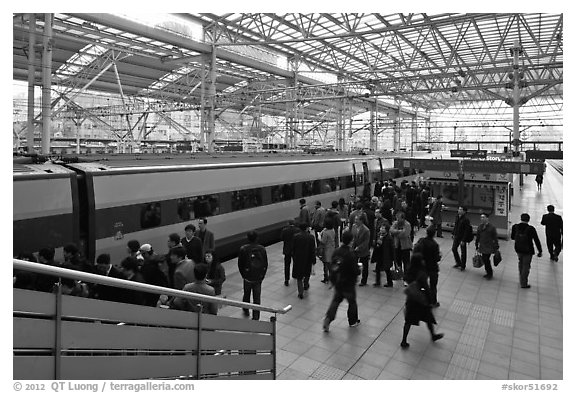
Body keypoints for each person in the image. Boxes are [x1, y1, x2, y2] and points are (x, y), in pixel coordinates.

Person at [400, 253, 444, 349]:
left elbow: (405, 279)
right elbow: (426, 287)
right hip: (421, 300)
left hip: (411, 299)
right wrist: (430, 299)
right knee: (428, 317)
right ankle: (433, 335)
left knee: (408, 320)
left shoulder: (409, 270)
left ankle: (404, 340)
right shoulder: (421, 273)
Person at [322, 231, 361, 332]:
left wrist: (332, 279)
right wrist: (359, 269)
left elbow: (333, 265)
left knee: (336, 301)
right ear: (351, 241)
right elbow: (355, 270)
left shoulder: (336, 251)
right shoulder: (351, 254)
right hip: (349, 283)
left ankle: (328, 318)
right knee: (352, 302)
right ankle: (352, 321)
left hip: (338, 282)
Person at [238, 231, 268, 320]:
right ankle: (256, 317)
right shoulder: (262, 249)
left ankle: (246, 309)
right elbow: (265, 264)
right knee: (257, 298)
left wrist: (244, 275)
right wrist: (262, 276)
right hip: (258, 278)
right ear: (257, 238)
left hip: (247, 278)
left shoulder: (243, 249)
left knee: (246, 294)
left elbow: (240, 264)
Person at [511, 213, 542, 289]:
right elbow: (536, 240)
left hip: (518, 249)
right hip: (528, 250)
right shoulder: (531, 229)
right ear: (528, 220)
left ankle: (521, 279)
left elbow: (512, 237)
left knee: (521, 263)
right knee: (526, 266)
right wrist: (540, 250)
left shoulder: (515, 227)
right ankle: (523, 283)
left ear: (521, 218)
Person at [413, 226, 441, 307]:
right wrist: (439, 256)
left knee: (420, 283)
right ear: (434, 234)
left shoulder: (421, 241)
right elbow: (436, 258)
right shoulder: (435, 245)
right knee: (433, 285)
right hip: (432, 267)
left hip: (422, 266)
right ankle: (433, 302)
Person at [292, 222, 316, 298]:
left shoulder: (296, 237)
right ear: (306, 228)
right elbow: (313, 250)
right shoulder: (311, 237)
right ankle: (306, 284)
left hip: (298, 259)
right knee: (307, 273)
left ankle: (300, 292)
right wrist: (313, 259)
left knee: (299, 277)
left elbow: (293, 249)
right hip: (308, 259)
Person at [390, 211, 413, 286]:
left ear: (403, 218)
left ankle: (406, 279)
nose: (397, 220)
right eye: (396, 218)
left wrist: (396, 233)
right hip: (397, 246)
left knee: (406, 263)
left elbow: (405, 234)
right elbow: (391, 230)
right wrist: (399, 231)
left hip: (405, 247)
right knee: (397, 262)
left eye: (398, 218)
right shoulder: (396, 223)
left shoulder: (407, 224)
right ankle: (399, 275)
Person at [475, 214, 499, 279]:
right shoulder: (480, 226)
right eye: (481, 217)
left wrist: (496, 246)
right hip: (482, 245)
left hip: (489, 246)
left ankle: (489, 272)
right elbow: (478, 236)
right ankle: (488, 271)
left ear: (487, 218)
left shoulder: (492, 227)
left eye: (483, 217)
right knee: (485, 259)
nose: (482, 219)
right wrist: (476, 244)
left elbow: (495, 237)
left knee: (486, 259)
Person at [372, 222, 394, 287]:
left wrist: (392, 258)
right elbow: (376, 245)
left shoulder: (389, 238)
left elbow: (391, 248)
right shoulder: (379, 235)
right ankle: (377, 282)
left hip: (386, 255)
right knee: (377, 268)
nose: (381, 229)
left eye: (383, 228)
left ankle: (390, 282)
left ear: (386, 230)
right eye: (381, 228)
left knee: (387, 269)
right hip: (379, 254)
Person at [352, 214, 371, 287]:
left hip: (363, 251)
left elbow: (366, 242)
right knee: (354, 265)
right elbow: (353, 237)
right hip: (354, 250)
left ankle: (364, 281)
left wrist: (359, 247)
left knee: (365, 267)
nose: (355, 221)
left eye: (357, 219)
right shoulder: (354, 227)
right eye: (355, 219)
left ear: (361, 221)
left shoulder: (366, 230)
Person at [452, 206, 472, 271]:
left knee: (463, 252)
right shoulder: (457, 217)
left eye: (461, 209)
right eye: (459, 209)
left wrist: (463, 240)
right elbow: (456, 226)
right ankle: (458, 262)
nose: (459, 210)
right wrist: (453, 233)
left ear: (464, 211)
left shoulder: (466, 219)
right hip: (457, 236)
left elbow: (467, 230)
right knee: (454, 249)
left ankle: (463, 265)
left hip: (462, 237)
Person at [280, 220, 299, 286]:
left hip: (287, 250)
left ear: (288, 224)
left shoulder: (284, 230)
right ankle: (295, 275)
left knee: (287, 265)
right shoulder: (297, 230)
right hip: (295, 250)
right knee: (296, 263)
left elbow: (282, 238)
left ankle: (286, 280)